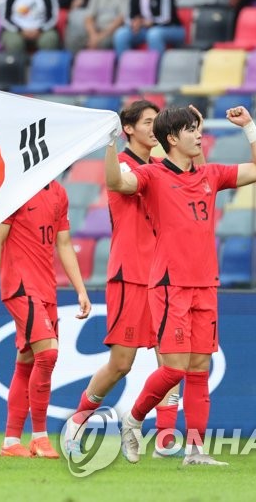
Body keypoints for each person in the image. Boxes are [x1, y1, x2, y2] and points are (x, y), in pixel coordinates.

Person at [113, 104, 256, 466]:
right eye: (191, 130)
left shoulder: (210, 174)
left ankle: (196, 451)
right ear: (172, 138)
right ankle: (134, 420)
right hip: (170, 285)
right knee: (174, 369)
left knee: (200, 367)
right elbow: (117, 183)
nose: (200, 135)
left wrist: (249, 127)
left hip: (205, 284)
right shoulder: (152, 175)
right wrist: (110, 147)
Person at [62, 101, 188, 460]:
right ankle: (77, 422)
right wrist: (109, 142)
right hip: (130, 275)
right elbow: (118, 181)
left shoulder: (161, 168)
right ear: (128, 128)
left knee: (171, 363)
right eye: (148, 122)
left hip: (163, 276)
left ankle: (165, 439)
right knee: (121, 364)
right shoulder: (122, 164)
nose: (154, 127)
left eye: (156, 122)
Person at [0, 181, 92, 459]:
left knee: (28, 360)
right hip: (19, 286)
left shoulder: (59, 193)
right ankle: (40, 437)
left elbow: (63, 243)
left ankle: (10, 441)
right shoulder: (14, 189)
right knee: (48, 354)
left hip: (46, 288)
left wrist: (80, 289)